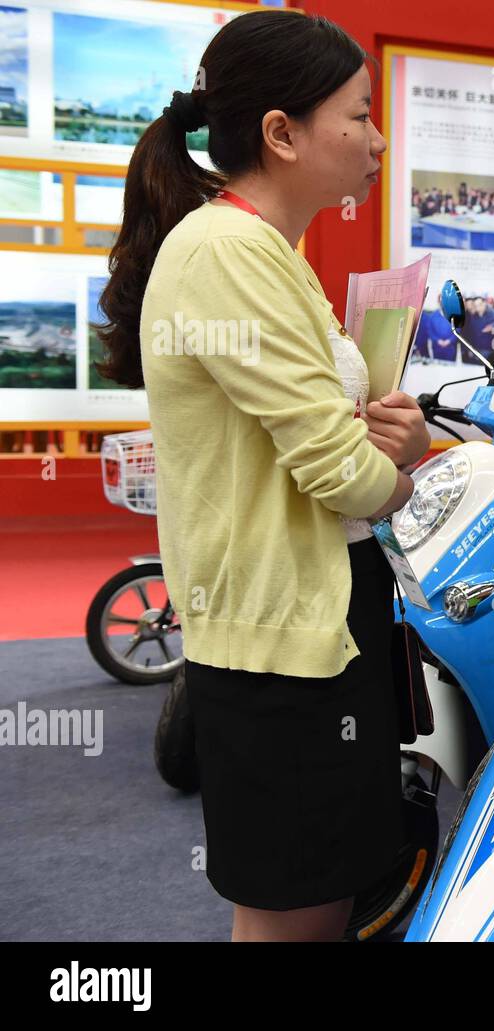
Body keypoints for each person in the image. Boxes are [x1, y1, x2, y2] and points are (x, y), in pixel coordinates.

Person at [93, 10, 430, 942]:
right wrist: (399, 476)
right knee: (295, 913)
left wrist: (375, 438)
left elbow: (308, 436)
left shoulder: (260, 249)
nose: (377, 137)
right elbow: (335, 469)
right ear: (281, 134)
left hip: (308, 616)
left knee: (317, 898)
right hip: (282, 639)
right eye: (359, 115)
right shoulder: (230, 252)